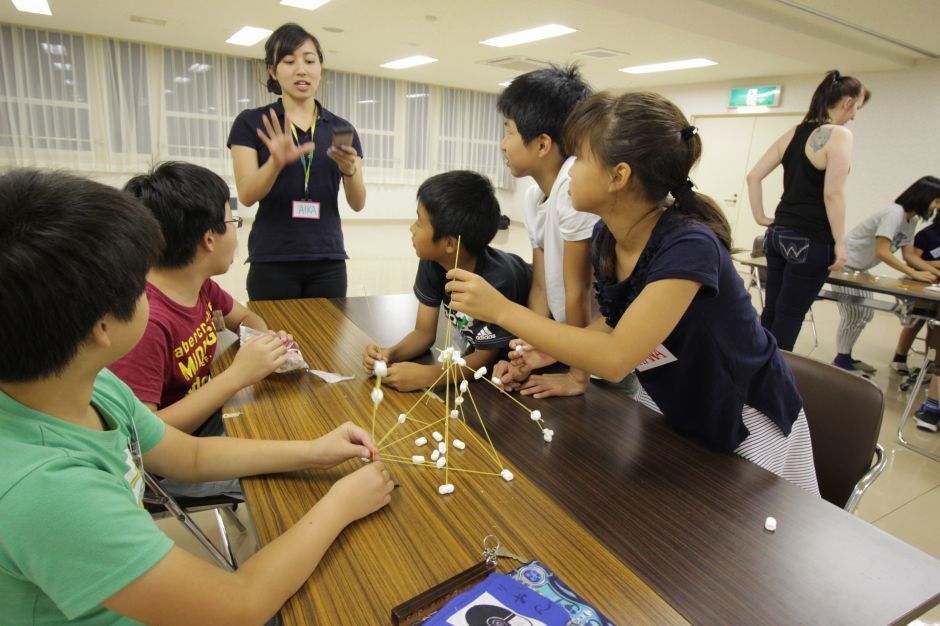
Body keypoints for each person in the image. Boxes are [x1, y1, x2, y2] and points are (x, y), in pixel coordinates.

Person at [0, 169, 394, 625]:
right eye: (138, 281)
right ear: (101, 328)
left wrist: (315, 451)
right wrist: (341, 504)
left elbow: (187, 456)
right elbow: (241, 606)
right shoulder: (46, 492)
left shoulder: (89, 382)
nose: (150, 288)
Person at [445, 92, 819, 494]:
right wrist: (549, 351)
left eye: (581, 160)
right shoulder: (608, 236)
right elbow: (617, 321)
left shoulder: (689, 246)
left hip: (744, 417)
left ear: (618, 176)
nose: (569, 173)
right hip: (675, 404)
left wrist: (502, 311)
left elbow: (617, 358)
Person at [110, 161, 291, 497]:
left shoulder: (199, 285)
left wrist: (261, 344)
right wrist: (237, 375)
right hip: (169, 467)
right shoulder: (146, 322)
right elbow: (144, 438)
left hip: (208, 421)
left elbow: (246, 318)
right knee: (289, 481)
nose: (237, 233)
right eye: (233, 222)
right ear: (209, 238)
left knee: (292, 422)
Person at [229, 22, 366, 300]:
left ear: (320, 69)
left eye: (310, 60)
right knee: (275, 341)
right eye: (289, 61)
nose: (301, 70)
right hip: (273, 257)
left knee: (325, 341)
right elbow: (245, 195)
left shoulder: (340, 129)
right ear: (272, 70)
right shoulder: (253, 122)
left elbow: (357, 202)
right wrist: (275, 163)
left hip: (328, 258)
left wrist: (350, 172)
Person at [361, 171, 532, 392]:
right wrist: (389, 354)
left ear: (449, 244)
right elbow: (423, 333)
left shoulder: (498, 281)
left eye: (419, 223)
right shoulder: (433, 262)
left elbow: (484, 359)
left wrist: (428, 376)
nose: (412, 229)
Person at [494, 64, 605, 398]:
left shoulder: (574, 188)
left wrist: (577, 375)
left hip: (598, 352)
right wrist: (524, 352)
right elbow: (542, 287)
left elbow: (580, 289)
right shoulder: (533, 195)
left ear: (542, 144)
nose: (502, 144)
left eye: (509, 131)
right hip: (569, 341)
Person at [747, 70, 871, 351]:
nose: (854, 117)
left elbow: (753, 176)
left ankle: (753, 376)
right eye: (857, 109)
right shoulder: (840, 134)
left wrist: (761, 218)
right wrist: (841, 242)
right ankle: (768, 386)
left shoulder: (795, 132)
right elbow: (833, 193)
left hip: (777, 234)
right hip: (811, 239)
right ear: (848, 103)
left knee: (772, 312)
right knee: (790, 317)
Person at [832, 176, 940, 373]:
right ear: (924, 196)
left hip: (859, 269)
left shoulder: (910, 220)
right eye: (936, 201)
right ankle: (841, 360)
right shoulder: (894, 214)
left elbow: (908, 255)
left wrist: (930, 271)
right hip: (844, 265)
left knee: (865, 312)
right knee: (855, 313)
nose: (936, 207)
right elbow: (882, 251)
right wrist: (914, 275)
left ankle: (845, 356)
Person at [891, 180, 940, 377]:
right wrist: (936, 266)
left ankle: (931, 365)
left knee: (935, 328)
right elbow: (913, 259)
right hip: (923, 285)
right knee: (916, 321)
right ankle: (899, 358)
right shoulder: (927, 234)